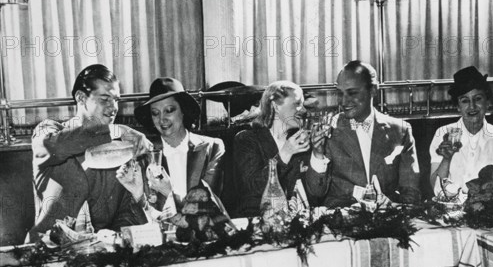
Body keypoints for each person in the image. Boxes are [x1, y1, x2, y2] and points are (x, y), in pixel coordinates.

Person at [28, 64, 152, 240]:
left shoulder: (120, 151)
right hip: (49, 251)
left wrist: (111, 240)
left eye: (116, 99)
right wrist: (118, 130)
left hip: (98, 253)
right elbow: (57, 146)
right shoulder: (48, 131)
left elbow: (127, 214)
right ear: (80, 97)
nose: (114, 107)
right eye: (105, 99)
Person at [306, 60, 421, 207]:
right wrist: (317, 154)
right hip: (341, 219)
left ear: (373, 90)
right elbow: (315, 192)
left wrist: (393, 206)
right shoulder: (329, 130)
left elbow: (412, 193)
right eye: (340, 93)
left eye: (352, 93)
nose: (343, 101)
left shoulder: (401, 131)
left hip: (386, 221)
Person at [134, 77, 225, 209]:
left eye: (169, 110)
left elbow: (208, 205)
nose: (162, 119)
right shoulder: (145, 154)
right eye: (155, 113)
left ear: (183, 110)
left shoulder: (213, 147)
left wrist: (170, 192)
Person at [233, 80, 312, 217]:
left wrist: (318, 154)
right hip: (257, 219)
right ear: (275, 106)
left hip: (296, 221)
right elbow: (253, 187)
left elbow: (310, 191)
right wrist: (284, 155)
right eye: (297, 104)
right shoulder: (247, 139)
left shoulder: (299, 140)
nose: (304, 110)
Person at [429, 66, 493, 194]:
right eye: (465, 101)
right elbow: (436, 188)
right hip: (450, 209)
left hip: (486, 209)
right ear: (457, 107)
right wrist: (446, 158)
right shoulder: (442, 134)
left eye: (478, 99)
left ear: (487, 102)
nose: (472, 106)